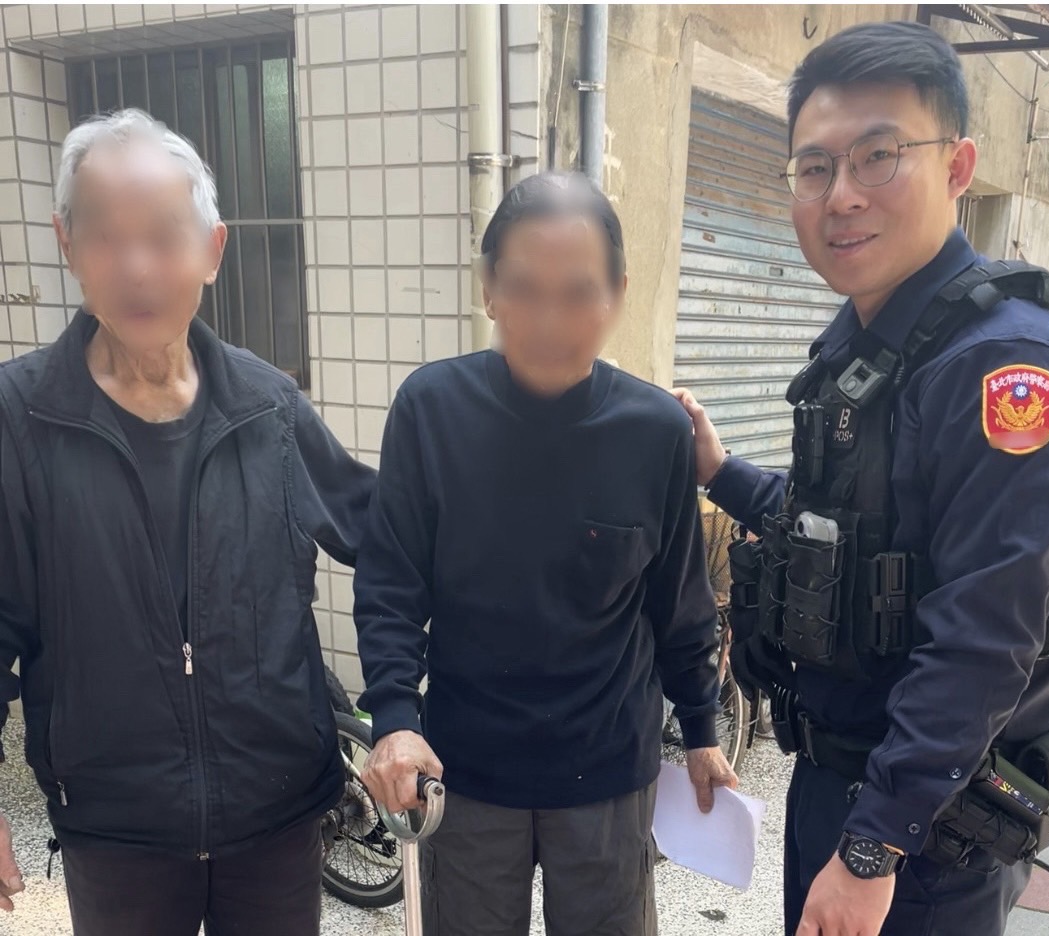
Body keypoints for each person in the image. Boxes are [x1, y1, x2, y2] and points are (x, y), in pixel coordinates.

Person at [674, 22, 1049, 936]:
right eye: (814, 167)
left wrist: (874, 848)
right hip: (845, 785)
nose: (841, 195)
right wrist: (718, 470)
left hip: (928, 829)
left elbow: (984, 635)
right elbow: (846, 541)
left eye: (878, 156)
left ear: (958, 167)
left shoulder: (1007, 369)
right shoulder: (871, 345)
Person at [0, 109, 375, 935]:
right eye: (106, 236)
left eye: (164, 237)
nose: (136, 266)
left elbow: (386, 538)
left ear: (212, 249)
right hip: (117, 828)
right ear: (66, 243)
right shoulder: (20, 419)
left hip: (276, 813)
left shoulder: (269, 407)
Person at [355, 171, 738, 936]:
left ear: (617, 295)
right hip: (467, 772)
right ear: (489, 289)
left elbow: (678, 600)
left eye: (578, 292)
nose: (550, 320)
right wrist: (394, 716)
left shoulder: (655, 431)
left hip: (608, 777)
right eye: (525, 289)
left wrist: (701, 731)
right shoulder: (431, 411)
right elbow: (392, 580)